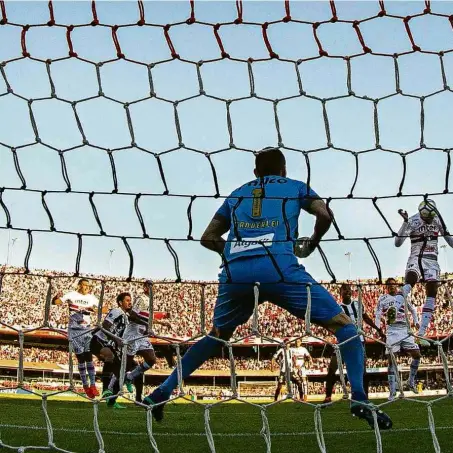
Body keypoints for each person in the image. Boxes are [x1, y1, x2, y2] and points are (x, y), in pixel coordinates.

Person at [144, 147, 392, 429]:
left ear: (255, 173)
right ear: (284, 170)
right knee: (345, 327)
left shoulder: (237, 193)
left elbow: (207, 237)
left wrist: (238, 252)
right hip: (279, 268)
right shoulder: (296, 187)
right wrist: (311, 243)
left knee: (216, 336)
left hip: (235, 273)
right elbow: (324, 215)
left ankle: (161, 392)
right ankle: (359, 399)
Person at [395, 200, 453, 344]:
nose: (429, 220)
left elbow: (450, 241)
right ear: (421, 213)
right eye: (426, 218)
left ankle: (421, 334)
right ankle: (394, 308)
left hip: (432, 259)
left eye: (431, 218)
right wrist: (405, 223)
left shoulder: (437, 218)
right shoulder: (413, 220)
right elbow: (397, 243)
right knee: (410, 280)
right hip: (416, 257)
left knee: (432, 291)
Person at [323, 283, 385, 403]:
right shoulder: (338, 307)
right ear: (340, 293)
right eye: (344, 290)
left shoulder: (357, 304)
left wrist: (378, 330)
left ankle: (364, 397)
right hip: (342, 342)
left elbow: (366, 318)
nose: (347, 291)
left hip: (359, 341)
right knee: (332, 369)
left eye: (348, 290)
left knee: (362, 370)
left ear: (351, 292)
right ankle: (328, 396)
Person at [123, 281, 171, 402]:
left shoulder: (150, 302)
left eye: (153, 287)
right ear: (145, 288)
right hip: (133, 334)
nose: (152, 289)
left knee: (151, 359)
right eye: (149, 287)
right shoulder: (141, 298)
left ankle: (130, 377)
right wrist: (148, 326)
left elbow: (147, 319)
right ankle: (112, 388)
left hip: (143, 335)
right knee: (126, 364)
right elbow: (132, 316)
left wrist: (161, 323)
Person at [52, 279, 99, 399]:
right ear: (79, 285)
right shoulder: (71, 295)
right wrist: (55, 298)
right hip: (74, 331)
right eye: (84, 285)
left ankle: (93, 385)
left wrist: (93, 309)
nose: (87, 287)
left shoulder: (92, 298)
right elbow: (56, 302)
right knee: (81, 359)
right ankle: (85, 386)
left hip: (87, 330)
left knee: (89, 357)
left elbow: (102, 309)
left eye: (88, 286)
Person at [375, 278, 421, 400]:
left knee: (417, 355)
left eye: (393, 284)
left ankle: (411, 381)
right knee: (391, 361)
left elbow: (413, 310)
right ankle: (392, 390)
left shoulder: (402, 296)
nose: (391, 286)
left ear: (396, 285)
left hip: (405, 329)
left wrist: (416, 322)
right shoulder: (382, 299)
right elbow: (378, 314)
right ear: (386, 287)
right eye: (389, 285)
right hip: (392, 331)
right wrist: (378, 328)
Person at [90, 292, 130, 409]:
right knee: (110, 356)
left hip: (110, 345)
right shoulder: (117, 311)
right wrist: (116, 339)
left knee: (121, 371)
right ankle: (105, 390)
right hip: (99, 340)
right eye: (127, 300)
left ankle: (111, 401)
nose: (130, 302)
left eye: (130, 300)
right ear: (120, 303)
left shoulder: (126, 318)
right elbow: (106, 326)